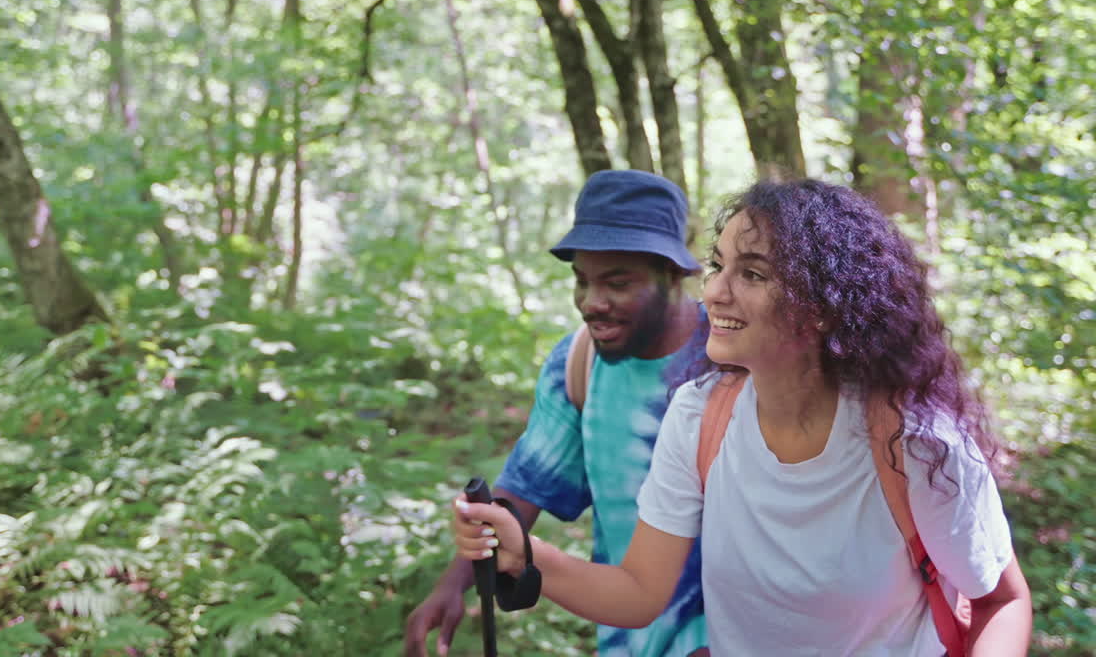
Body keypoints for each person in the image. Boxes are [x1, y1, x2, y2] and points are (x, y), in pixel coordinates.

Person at [451, 179, 1033, 656]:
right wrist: (528, 555)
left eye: (752, 274)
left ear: (824, 305)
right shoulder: (698, 417)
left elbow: (1000, 601)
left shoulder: (915, 444)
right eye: (718, 266)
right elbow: (638, 592)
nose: (713, 293)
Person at [405, 169, 712, 657]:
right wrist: (453, 585)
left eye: (617, 283)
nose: (592, 302)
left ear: (673, 274)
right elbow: (526, 488)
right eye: (582, 281)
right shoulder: (578, 364)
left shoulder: (733, 356)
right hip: (627, 636)